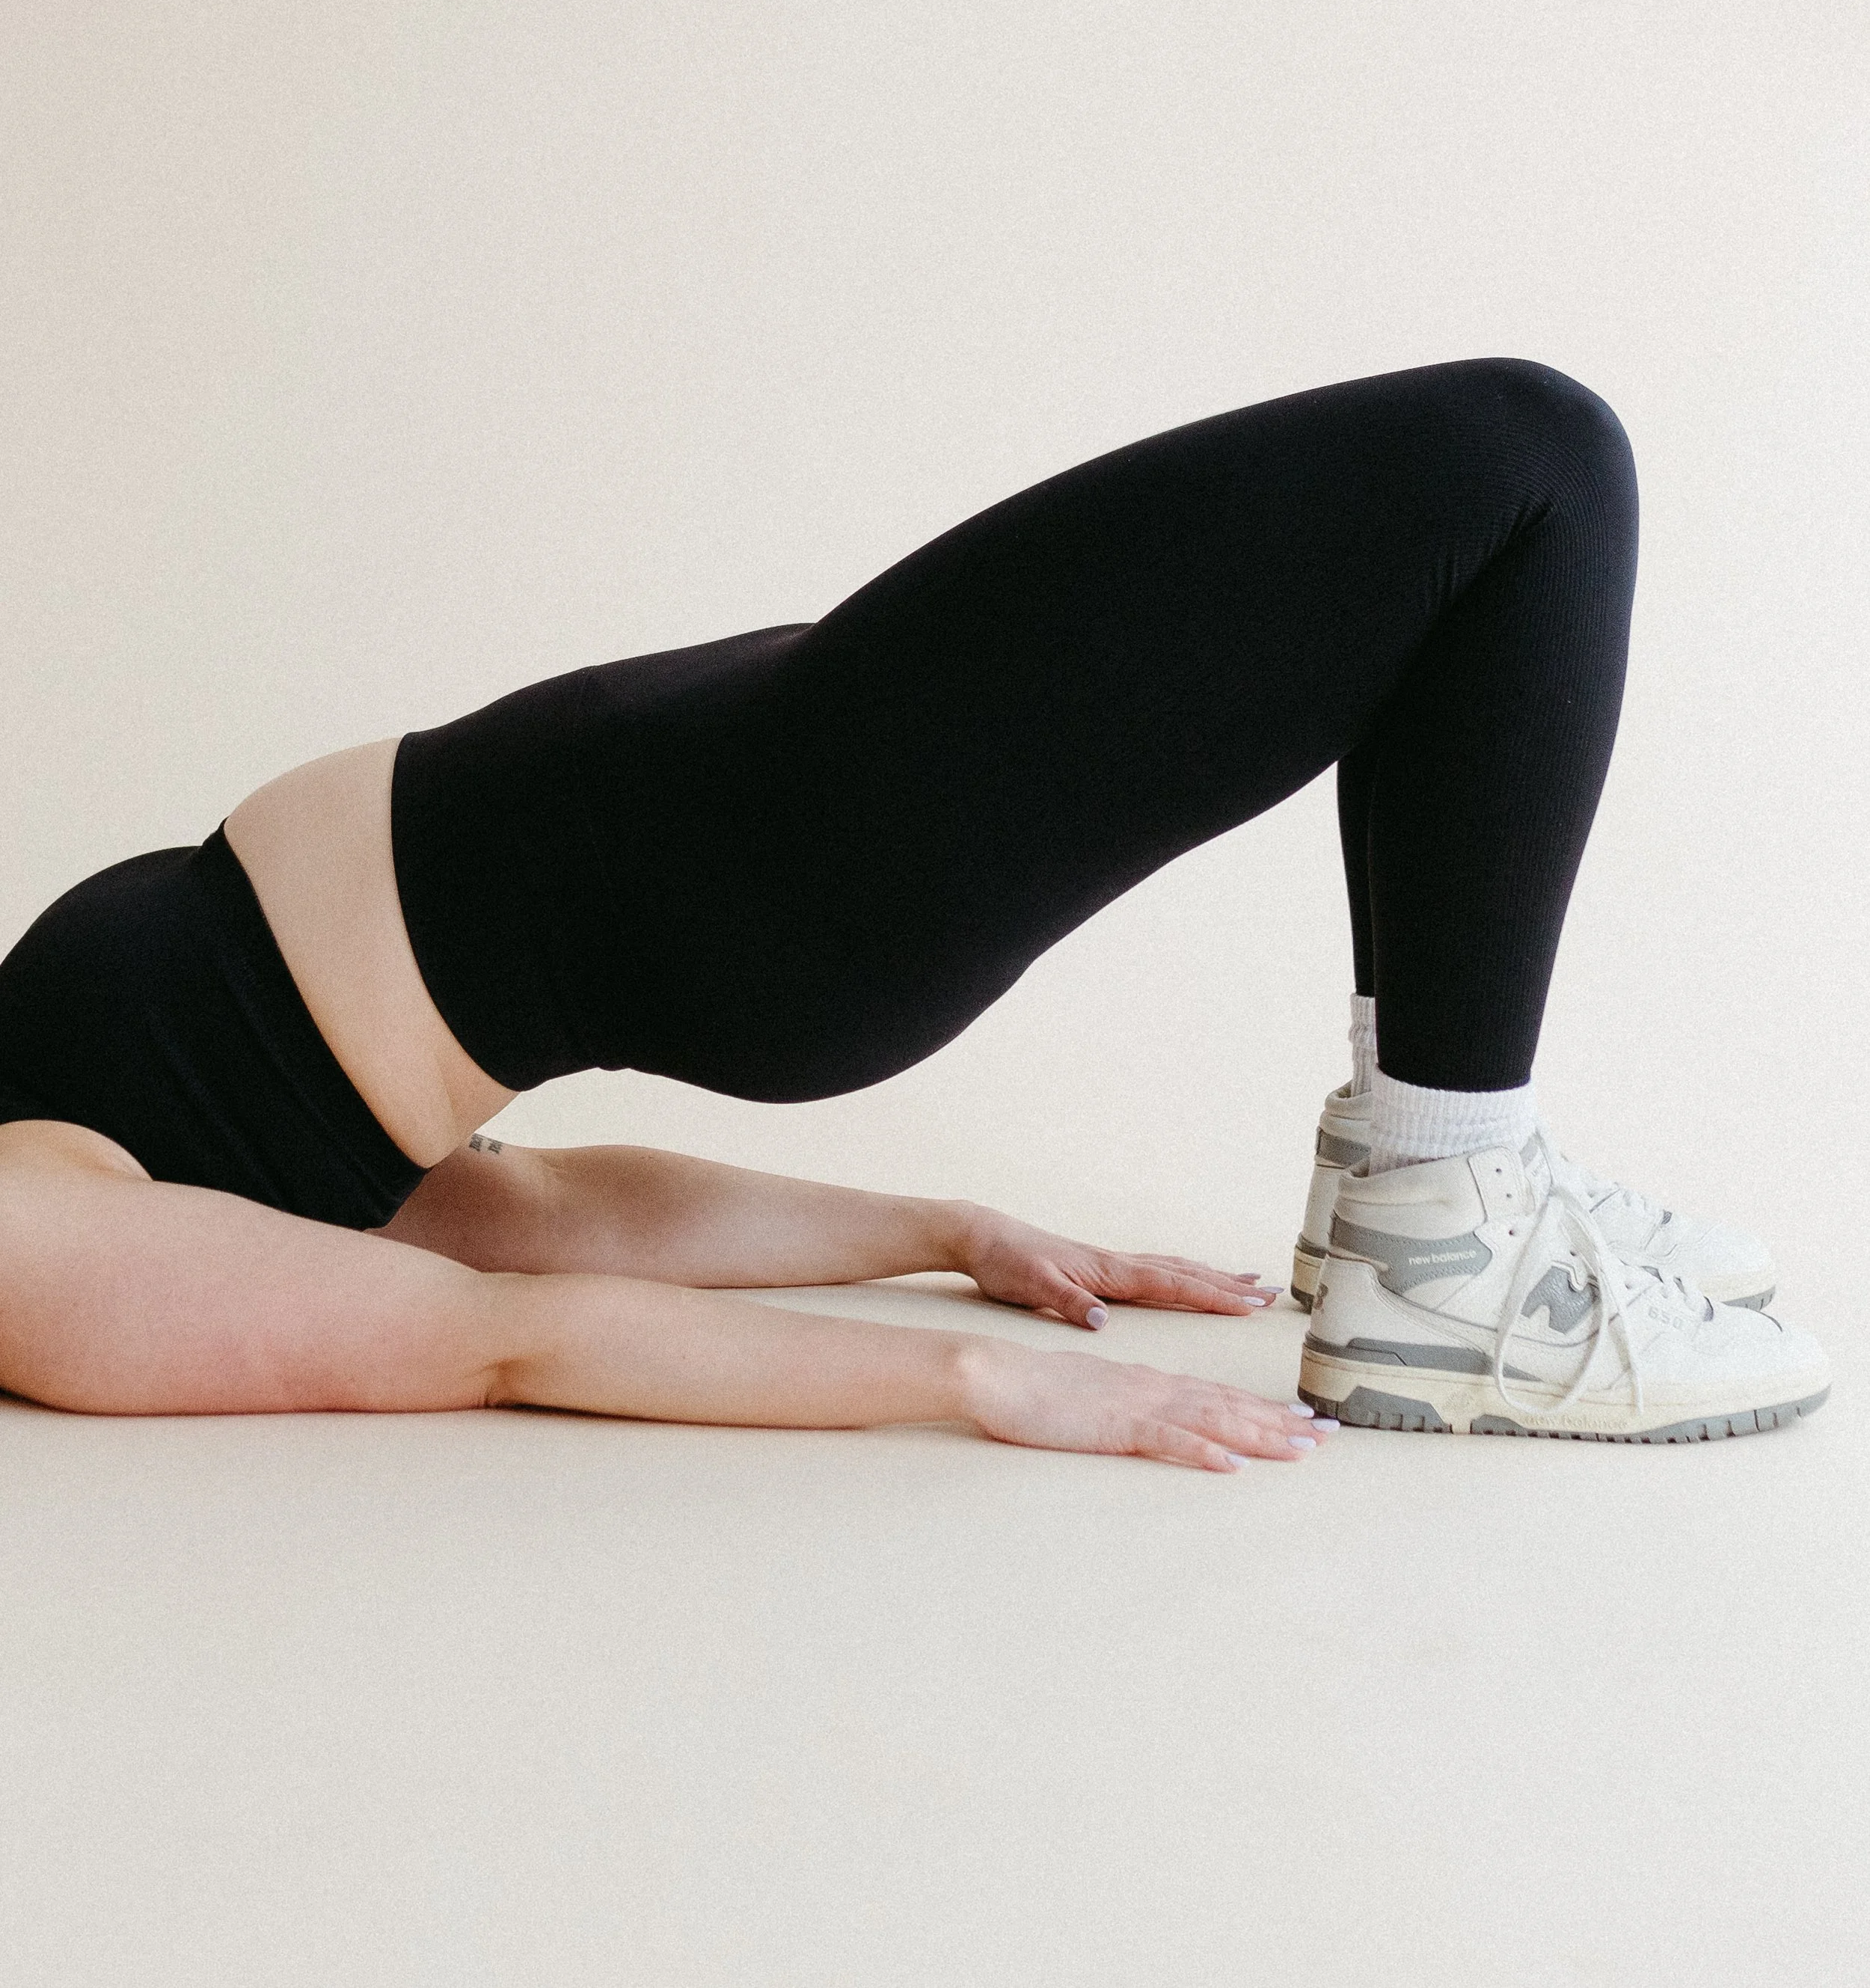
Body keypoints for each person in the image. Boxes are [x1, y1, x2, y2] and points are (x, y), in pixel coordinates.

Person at [0, 359, 1828, 1462]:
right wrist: (969, 1381)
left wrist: (947, 1225)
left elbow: (527, 1210)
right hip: (791, 850)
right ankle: (1446, 1237)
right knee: (1521, 463)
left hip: (767, 769)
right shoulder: (24, 1240)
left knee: (1481, 509)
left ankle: (1426, 1186)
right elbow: (495, 1331)